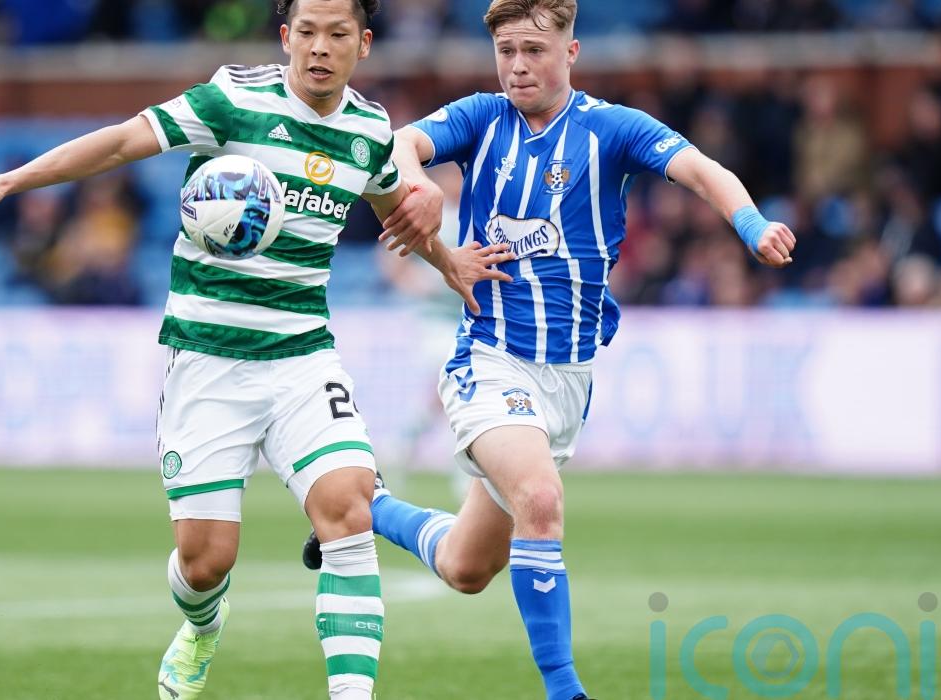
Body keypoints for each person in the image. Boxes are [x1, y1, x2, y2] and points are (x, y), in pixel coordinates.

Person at [0, 1, 510, 698]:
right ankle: (202, 623)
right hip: (208, 359)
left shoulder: (368, 131)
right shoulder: (232, 100)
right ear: (286, 36)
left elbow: (395, 215)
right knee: (205, 563)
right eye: (308, 32)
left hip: (302, 357)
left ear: (364, 44)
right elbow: (121, 142)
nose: (320, 48)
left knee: (349, 512)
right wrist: (9, 180)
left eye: (338, 35)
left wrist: (448, 261)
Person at [301, 1, 796, 699]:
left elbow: (702, 170)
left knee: (466, 567)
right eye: (506, 51)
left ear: (571, 52)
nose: (517, 66)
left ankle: (368, 504)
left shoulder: (611, 129)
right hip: (489, 360)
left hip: (566, 381)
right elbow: (400, 144)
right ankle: (566, 690)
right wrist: (420, 188)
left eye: (533, 50)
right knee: (539, 497)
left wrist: (751, 223)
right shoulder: (481, 119)